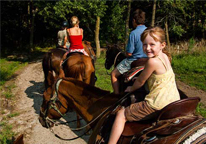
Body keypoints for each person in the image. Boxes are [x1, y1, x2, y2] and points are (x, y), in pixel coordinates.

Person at [108, 26, 180, 144]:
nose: (147, 48)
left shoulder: (152, 61)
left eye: (152, 44)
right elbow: (157, 78)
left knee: (121, 114)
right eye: (145, 45)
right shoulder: (166, 57)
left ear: (162, 45)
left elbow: (140, 82)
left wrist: (132, 87)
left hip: (157, 104)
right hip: (173, 100)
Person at [111, 9, 148, 94]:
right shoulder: (149, 31)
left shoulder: (133, 33)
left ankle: (116, 95)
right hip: (148, 60)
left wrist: (127, 53)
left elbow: (129, 53)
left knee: (113, 74)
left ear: (134, 21)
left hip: (134, 60)